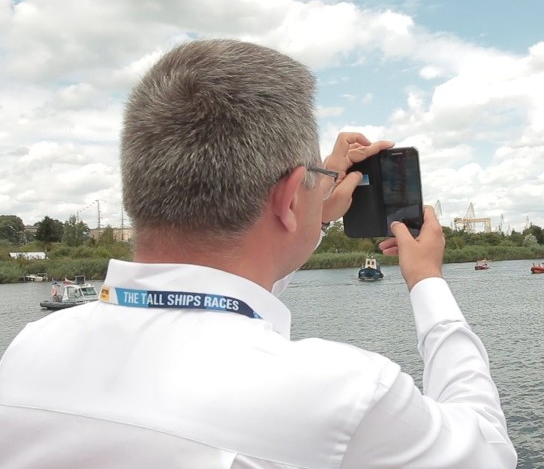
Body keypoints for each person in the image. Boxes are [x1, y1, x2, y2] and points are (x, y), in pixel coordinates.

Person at [0, 40, 516, 468]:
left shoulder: (27, 354)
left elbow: (233, 288)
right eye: (316, 179)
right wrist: (427, 281)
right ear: (290, 196)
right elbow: (489, 448)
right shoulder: (343, 396)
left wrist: (314, 206)